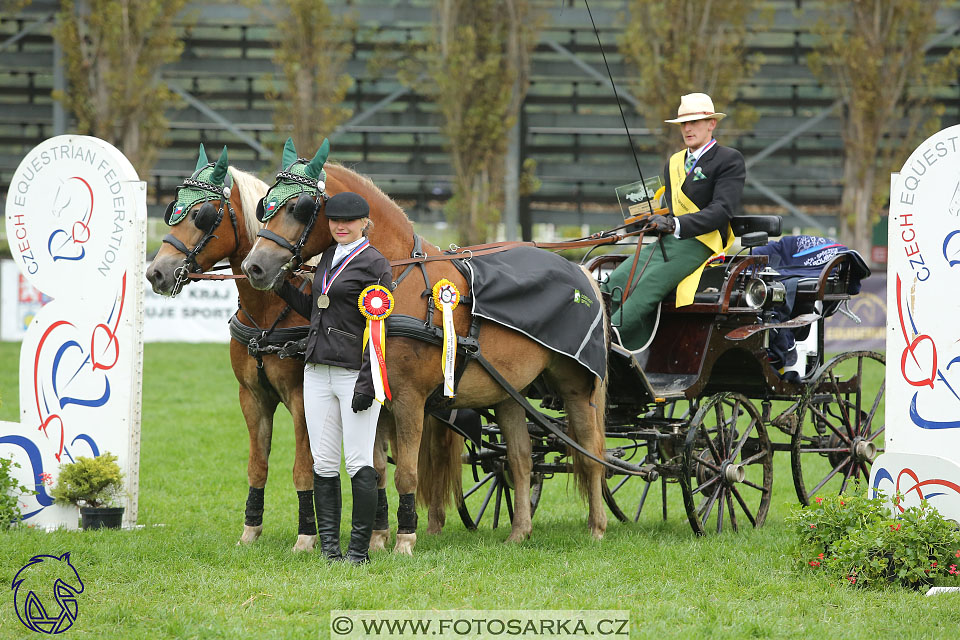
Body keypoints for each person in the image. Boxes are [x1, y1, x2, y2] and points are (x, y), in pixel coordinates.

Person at [273, 191, 393, 564]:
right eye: (335, 221)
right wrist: (283, 288)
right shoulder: (326, 258)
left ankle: (358, 552)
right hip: (316, 372)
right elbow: (317, 310)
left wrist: (367, 381)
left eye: (349, 221)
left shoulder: (375, 264)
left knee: (358, 461)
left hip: (352, 374)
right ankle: (331, 551)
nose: (341, 226)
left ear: (363, 223)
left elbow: (377, 328)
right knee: (323, 462)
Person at [602, 92, 746, 350]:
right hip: (668, 241)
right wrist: (647, 220)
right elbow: (672, 207)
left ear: (711, 123)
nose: (688, 128)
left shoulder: (729, 159)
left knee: (647, 288)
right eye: (683, 123)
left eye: (695, 122)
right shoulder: (674, 162)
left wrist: (677, 225)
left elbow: (722, 210)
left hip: (702, 242)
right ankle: (606, 336)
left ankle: (607, 341)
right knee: (616, 282)